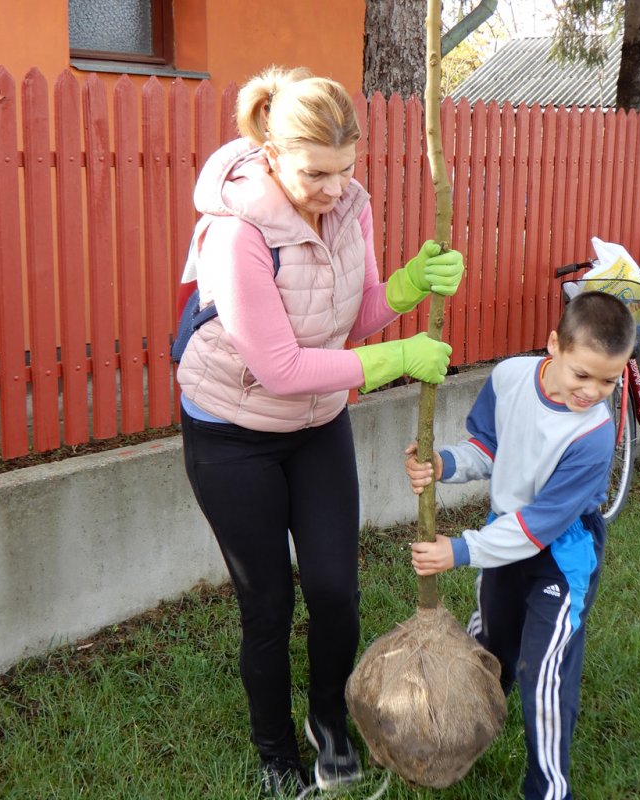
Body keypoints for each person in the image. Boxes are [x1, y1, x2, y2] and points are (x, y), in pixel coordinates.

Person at [176, 65, 463, 798]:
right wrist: (400, 357)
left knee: (336, 590)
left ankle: (327, 721)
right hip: (234, 432)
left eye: (346, 170)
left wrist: (406, 286)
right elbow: (278, 365)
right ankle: (276, 755)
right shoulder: (234, 234)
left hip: (316, 425)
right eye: (316, 173)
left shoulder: (350, 206)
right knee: (267, 604)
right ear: (271, 153)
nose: (335, 188)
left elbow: (348, 313)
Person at [404, 291, 636, 800]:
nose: (593, 391)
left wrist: (461, 549)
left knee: (542, 674)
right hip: (505, 533)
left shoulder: (595, 434)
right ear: (554, 345)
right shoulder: (510, 377)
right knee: (487, 651)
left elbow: (540, 524)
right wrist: (444, 463)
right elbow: (488, 446)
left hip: (561, 552)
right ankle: (461, 739)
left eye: (609, 380)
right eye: (582, 374)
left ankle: (549, 788)